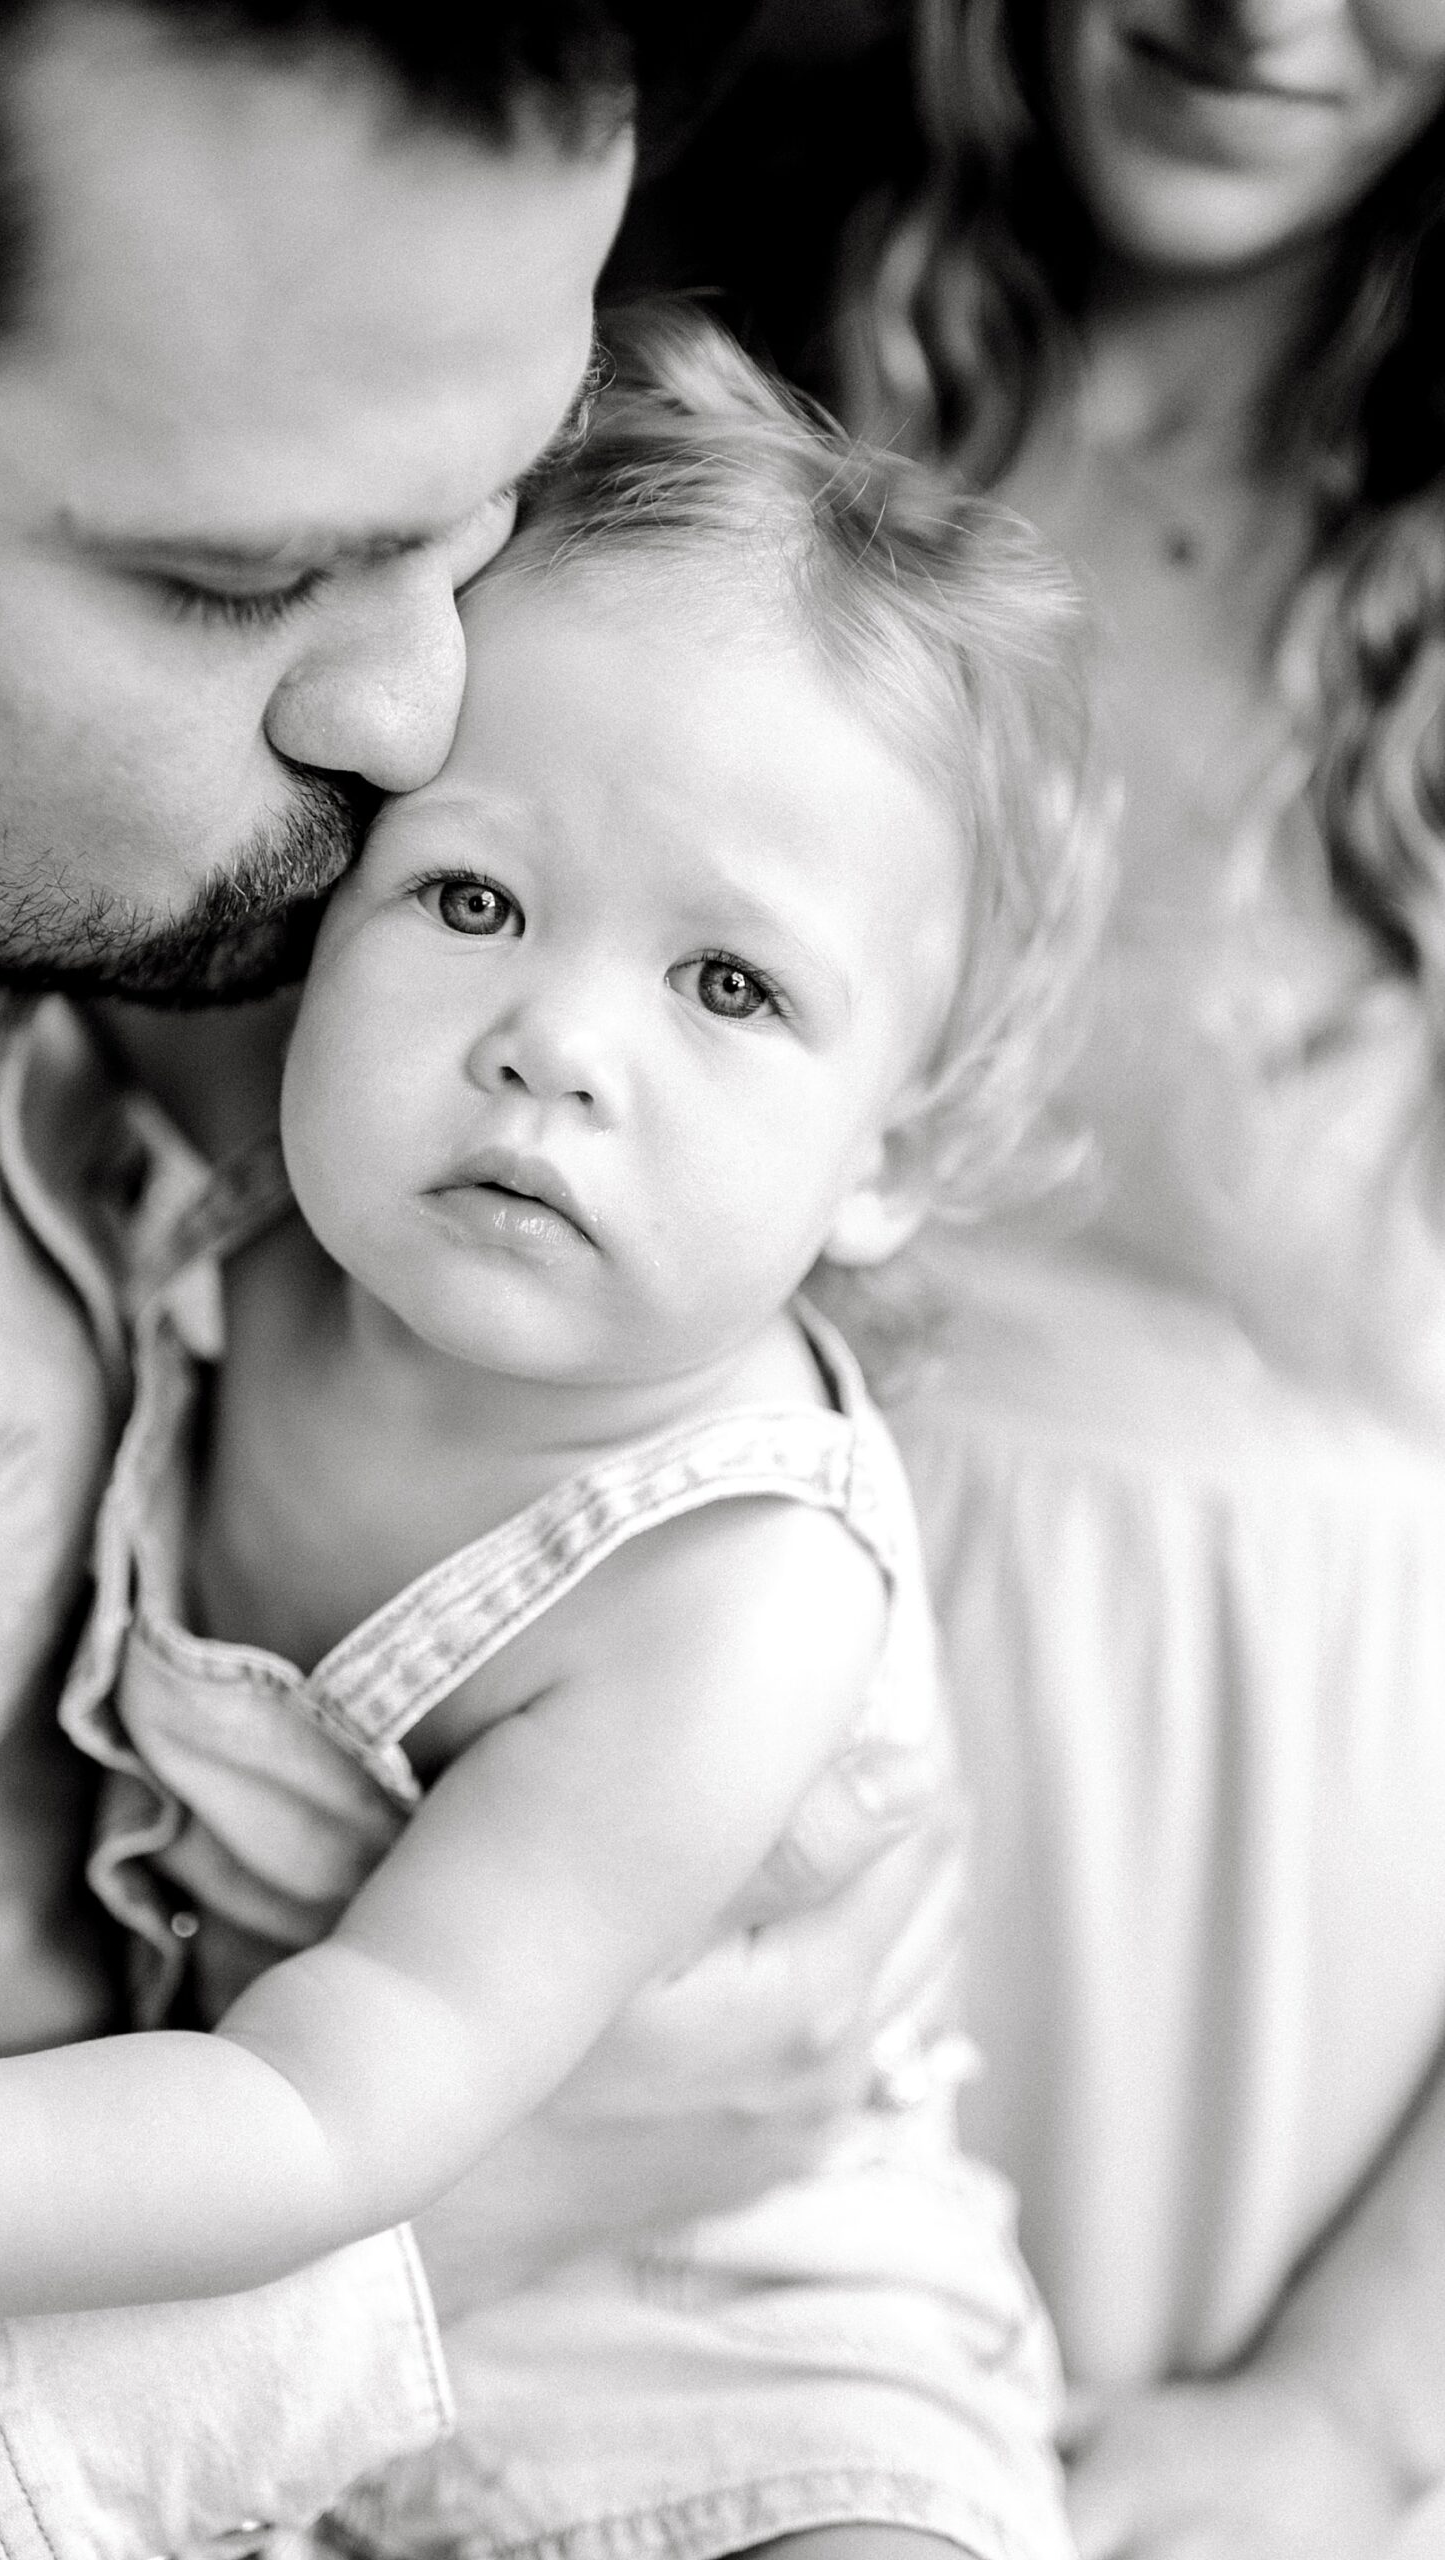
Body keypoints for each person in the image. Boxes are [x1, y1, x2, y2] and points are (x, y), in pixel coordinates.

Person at [0, 10, 947, 2554]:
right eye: (239, 576)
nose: (416, 716)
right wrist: (449, 2235)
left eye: (479, 522)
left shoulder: (168, 961)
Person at [797, 2, 1445, 2553]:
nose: (1264, 7)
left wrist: (1358, 2398)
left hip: (1270, 2016)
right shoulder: (744, 403)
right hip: (700, 1834)